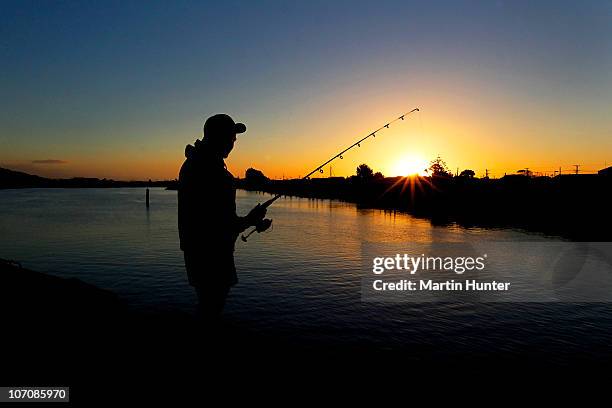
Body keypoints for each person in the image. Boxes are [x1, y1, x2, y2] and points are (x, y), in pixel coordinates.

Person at [178, 114, 266, 320]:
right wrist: (250, 220)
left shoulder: (196, 163)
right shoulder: (210, 171)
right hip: (211, 251)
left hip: (198, 249)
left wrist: (247, 221)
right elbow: (219, 223)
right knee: (212, 304)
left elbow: (217, 219)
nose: (233, 143)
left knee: (208, 302)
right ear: (218, 137)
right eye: (231, 138)